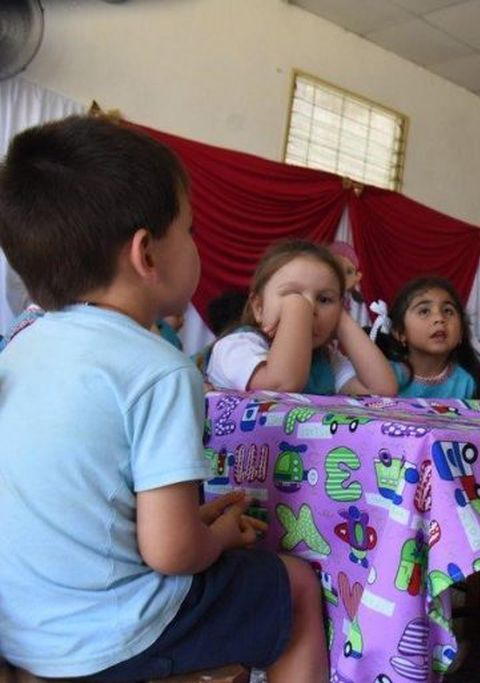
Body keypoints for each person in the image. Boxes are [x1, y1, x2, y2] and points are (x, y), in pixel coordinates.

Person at [0, 115, 327, 680]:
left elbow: (78, 501)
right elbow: (172, 553)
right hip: (104, 637)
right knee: (294, 585)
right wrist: (216, 537)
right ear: (146, 254)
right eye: (191, 230)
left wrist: (191, 526)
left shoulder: (19, 346)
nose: (196, 244)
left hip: (20, 624)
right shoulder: (159, 369)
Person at [205, 239, 396, 397]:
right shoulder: (237, 346)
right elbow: (280, 385)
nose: (309, 309)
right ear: (259, 307)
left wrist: (342, 319)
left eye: (324, 299)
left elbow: (381, 391)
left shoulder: (326, 361)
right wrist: (296, 308)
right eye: (292, 294)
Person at [385, 276, 480, 400]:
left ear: (461, 333)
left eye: (448, 311)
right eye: (424, 311)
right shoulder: (386, 375)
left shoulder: (467, 383)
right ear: (400, 332)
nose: (439, 318)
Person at [328, 239, 370, 327]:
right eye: (336, 270)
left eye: (349, 272)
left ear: (358, 276)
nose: (342, 277)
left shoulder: (354, 304)